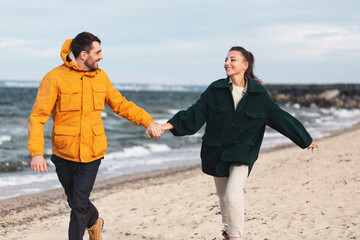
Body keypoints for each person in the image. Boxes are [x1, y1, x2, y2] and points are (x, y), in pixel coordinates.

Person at [161, 46, 319, 240]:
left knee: (233, 195)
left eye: (233, 59)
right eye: (226, 59)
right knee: (222, 197)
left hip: (243, 152)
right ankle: (228, 232)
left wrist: (305, 139)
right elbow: (195, 113)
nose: (227, 63)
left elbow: (279, 117)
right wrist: (167, 125)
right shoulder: (215, 89)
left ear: (245, 65)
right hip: (216, 152)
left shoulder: (258, 94)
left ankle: (236, 237)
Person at [27, 32, 163, 240]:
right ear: (83, 55)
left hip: (92, 152)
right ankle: (95, 222)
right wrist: (36, 153)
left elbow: (121, 104)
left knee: (79, 203)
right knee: (75, 200)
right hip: (64, 153)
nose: (101, 56)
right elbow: (38, 116)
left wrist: (148, 121)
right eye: (97, 52)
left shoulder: (101, 77)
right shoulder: (54, 78)